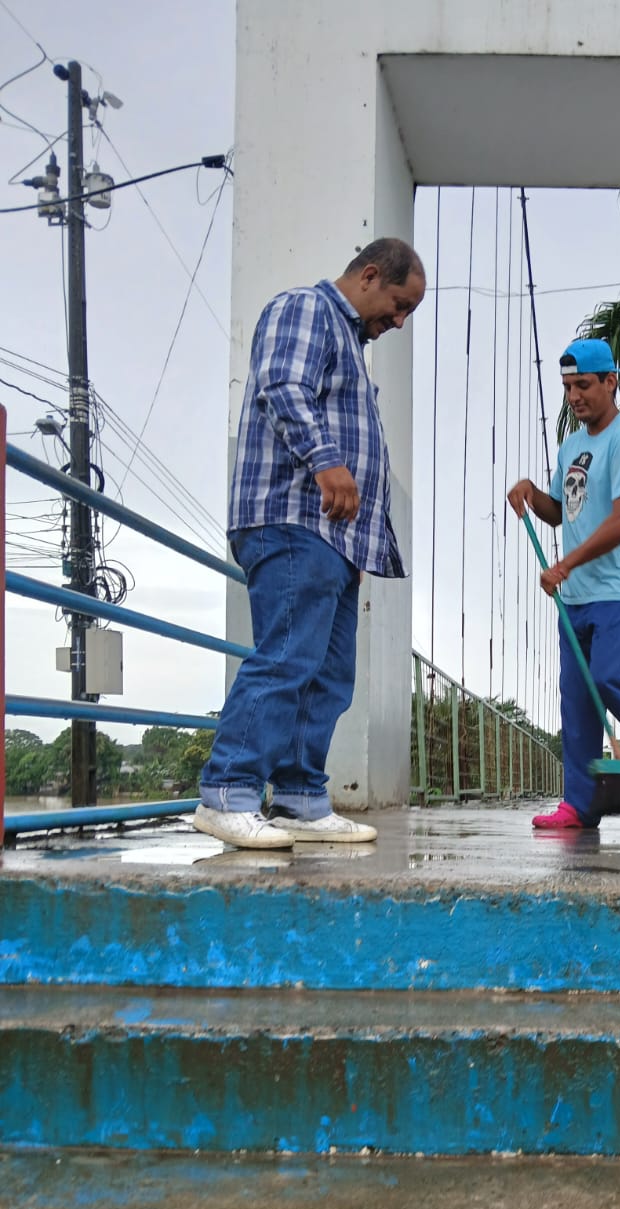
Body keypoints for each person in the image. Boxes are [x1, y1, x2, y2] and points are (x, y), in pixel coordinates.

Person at [194, 238, 425, 849]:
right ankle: (227, 791)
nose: (400, 321)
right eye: (400, 304)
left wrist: (360, 544)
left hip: (333, 537)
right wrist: (326, 459)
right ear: (370, 275)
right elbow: (282, 385)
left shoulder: (348, 341)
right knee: (287, 657)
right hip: (290, 518)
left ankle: (300, 799)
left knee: (328, 673)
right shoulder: (307, 308)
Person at [507, 337, 620, 830]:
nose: (574, 397)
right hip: (577, 597)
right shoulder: (571, 445)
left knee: (612, 679)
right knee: (576, 698)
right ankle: (580, 806)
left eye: (583, 385)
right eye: (567, 387)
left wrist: (564, 564)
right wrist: (530, 493)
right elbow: (560, 512)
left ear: (611, 382)